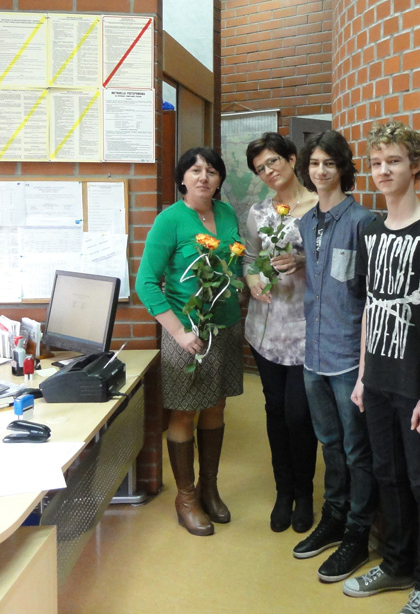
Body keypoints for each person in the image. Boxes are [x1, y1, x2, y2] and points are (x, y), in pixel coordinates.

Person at [343, 122, 420, 614]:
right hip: (379, 379)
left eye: (393, 161)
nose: (384, 170)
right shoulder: (370, 231)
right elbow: (370, 305)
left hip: (417, 383)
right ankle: (396, 563)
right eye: (376, 163)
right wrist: (362, 375)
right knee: (387, 474)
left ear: (416, 165)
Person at [137, 147, 245, 537]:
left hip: (225, 328)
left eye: (211, 171)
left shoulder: (227, 213)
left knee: (216, 406)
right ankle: (185, 498)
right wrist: (179, 332)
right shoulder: (169, 220)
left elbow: (238, 264)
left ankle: (208, 488)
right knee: (184, 412)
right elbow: (146, 283)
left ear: (219, 180)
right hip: (187, 334)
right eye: (195, 170)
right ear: (182, 178)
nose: (204, 177)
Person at [293, 129, 377, 582]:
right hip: (314, 353)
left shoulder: (364, 222)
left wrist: (366, 368)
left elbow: (369, 299)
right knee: (329, 443)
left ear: (343, 168)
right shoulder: (306, 223)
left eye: (329, 163)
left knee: (356, 449)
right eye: (314, 163)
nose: (321, 171)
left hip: (349, 356)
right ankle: (334, 516)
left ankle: (358, 533)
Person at [244, 132, 320, 534]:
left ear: (292, 159)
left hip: (306, 329)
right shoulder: (258, 212)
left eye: (273, 161)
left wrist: (303, 261)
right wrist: (252, 279)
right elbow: (250, 258)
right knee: (275, 410)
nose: (268, 171)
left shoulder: (319, 206)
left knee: (299, 414)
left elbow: (334, 261)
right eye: (260, 169)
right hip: (266, 328)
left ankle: (305, 493)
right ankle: (283, 492)